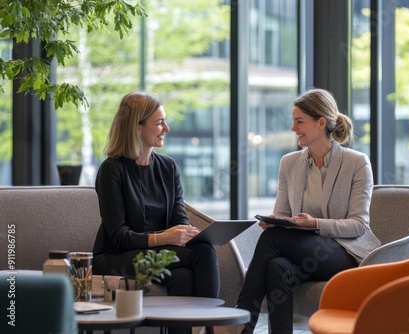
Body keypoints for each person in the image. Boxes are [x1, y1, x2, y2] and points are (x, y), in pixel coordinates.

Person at [234, 88, 381, 334]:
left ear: (321, 122)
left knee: (273, 239)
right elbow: (281, 211)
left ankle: (243, 320)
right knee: (276, 266)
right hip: (302, 251)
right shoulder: (289, 163)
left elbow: (358, 224)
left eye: (299, 122)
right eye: (293, 122)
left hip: (345, 251)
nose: (293, 128)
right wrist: (276, 221)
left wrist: (315, 224)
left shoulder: (356, 163)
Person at [92, 91, 220, 302]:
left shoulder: (168, 167)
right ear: (137, 127)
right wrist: (163, 238)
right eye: (160, 123)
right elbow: (119, 237)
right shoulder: (111, 170)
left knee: (183, 277)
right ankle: (215, 326)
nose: (167, 129)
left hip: (156, 254)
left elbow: (179, 220)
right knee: (204, 253)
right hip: (115, 258)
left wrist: (184, 233)